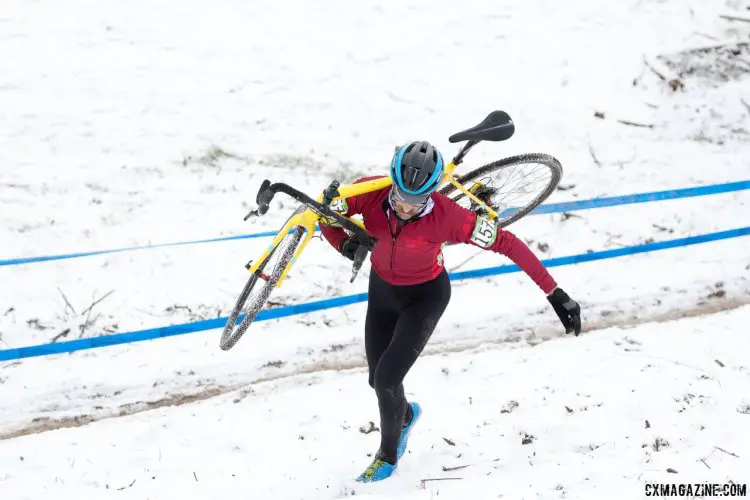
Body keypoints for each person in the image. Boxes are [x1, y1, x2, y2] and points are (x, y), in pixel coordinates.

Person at [318, 140, 582, 483]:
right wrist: (343, 241)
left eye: (415, 202)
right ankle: (406, 415)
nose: (404, 208)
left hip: (425, 297)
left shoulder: (450, 217)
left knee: (387, 378)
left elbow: (509, 243)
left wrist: (554, 292)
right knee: (377, 379)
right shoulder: (370, 191)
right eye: (398, 197)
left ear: (431, 194)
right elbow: (323, 215)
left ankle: (387, 457)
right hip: (382, 290)